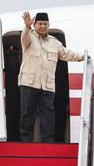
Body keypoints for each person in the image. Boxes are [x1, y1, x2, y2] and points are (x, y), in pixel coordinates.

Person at [19, 11, 86, 142]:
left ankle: (47, 142)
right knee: (27, 113)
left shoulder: (54, 42)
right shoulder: (29, 37)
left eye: (45, 24)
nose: (42, 26)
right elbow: (24, 38)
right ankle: (25, 142)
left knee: (48, 115)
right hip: (29, 83)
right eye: (40, 24)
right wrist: (27, 27)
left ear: (49, 25)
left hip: (47, 85)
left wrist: (82, 57)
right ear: (35, 24)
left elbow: (66, 54)